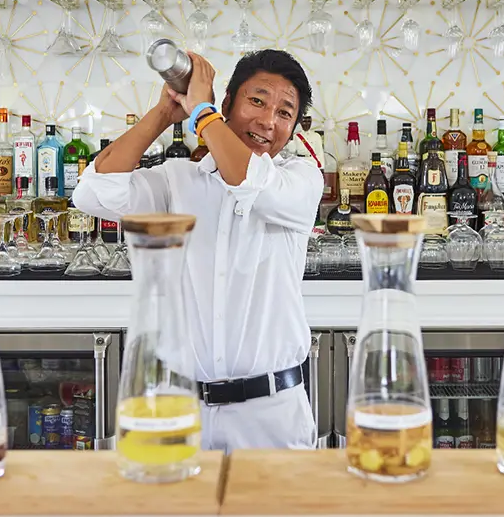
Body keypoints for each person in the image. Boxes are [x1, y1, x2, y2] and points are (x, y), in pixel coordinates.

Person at [72, 50, 321, 451]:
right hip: (176, 413)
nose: (267, 121)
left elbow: (248, 180)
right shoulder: (176, 180)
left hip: (271, 419)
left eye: (284, 113)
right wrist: (164, 113)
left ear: (292, 131)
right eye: (257, 101)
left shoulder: (300, 182)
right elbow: (94, 193)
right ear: (229, 104)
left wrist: (203, 115)